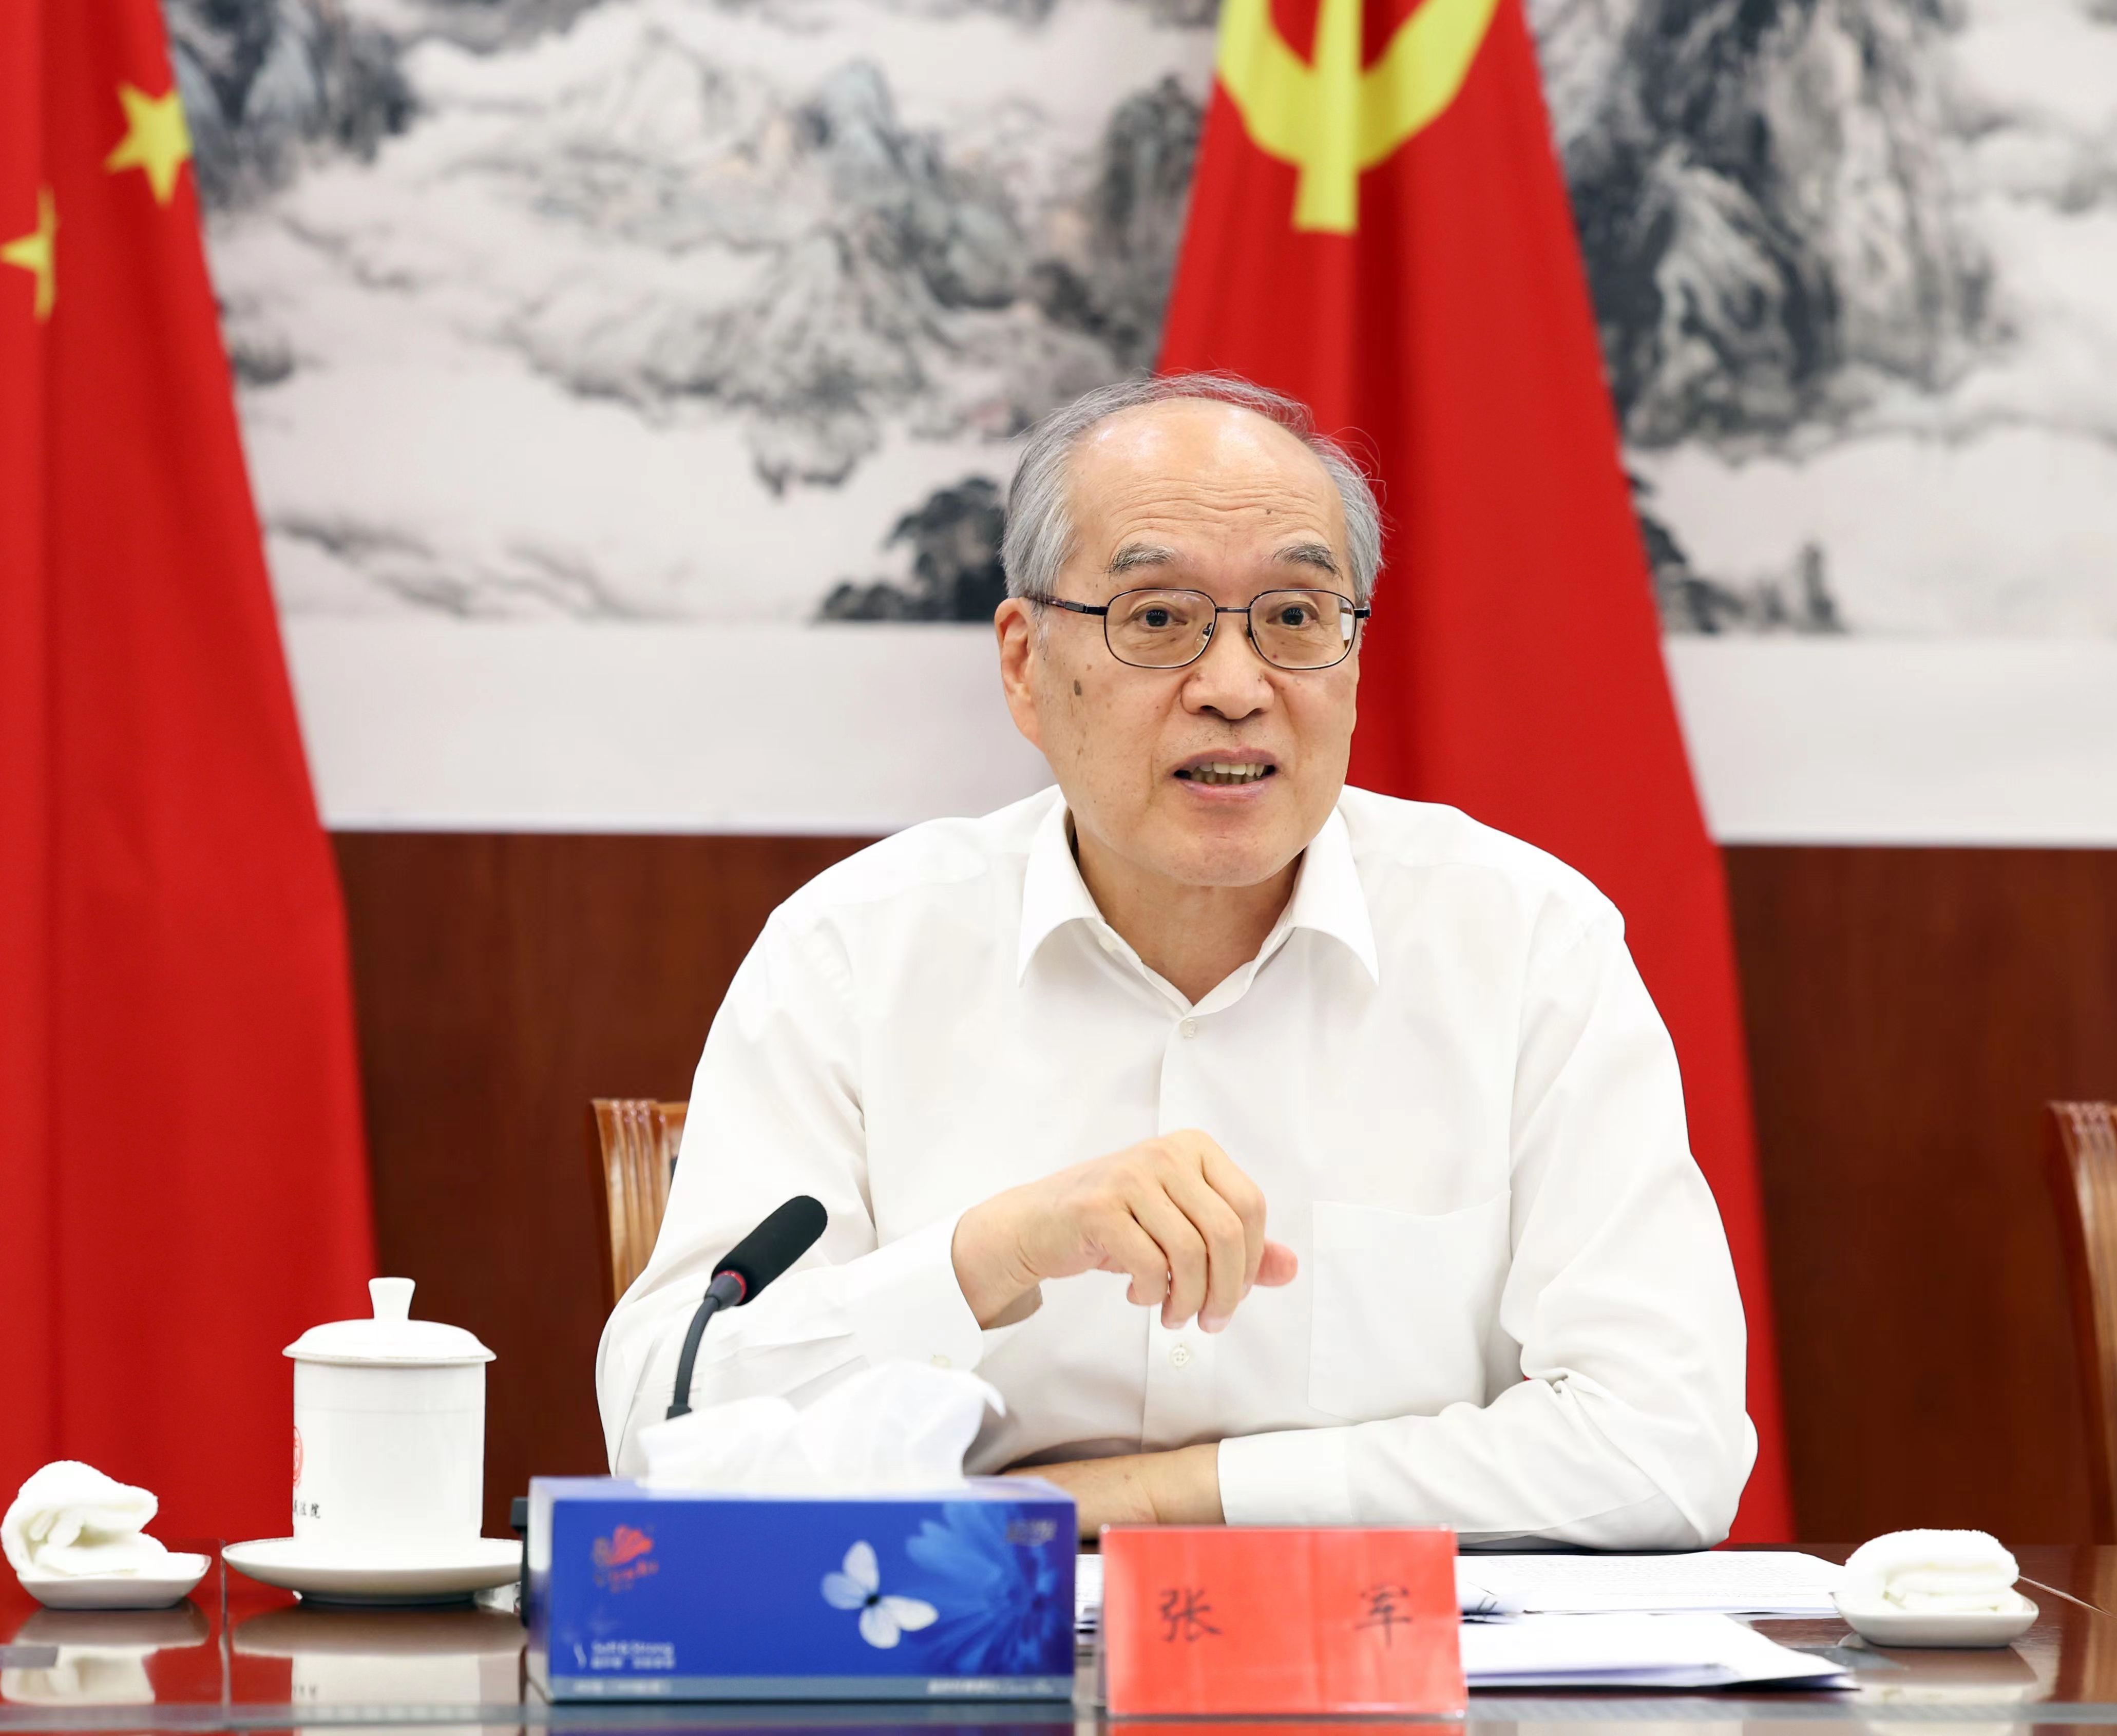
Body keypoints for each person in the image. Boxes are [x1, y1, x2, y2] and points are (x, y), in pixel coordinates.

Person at [597, 372, 1757, 1543]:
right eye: (1156, 620)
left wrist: (1157, 1497)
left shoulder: (1523, 943)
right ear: (1024, 664)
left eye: (1294, 618)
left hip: (1386, 1655)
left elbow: (1666, 1447)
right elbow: (665, 1424)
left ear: (1354, 658)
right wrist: (992, 1254)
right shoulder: (853, 954)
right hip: (955, 1634)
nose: (1236, 689)